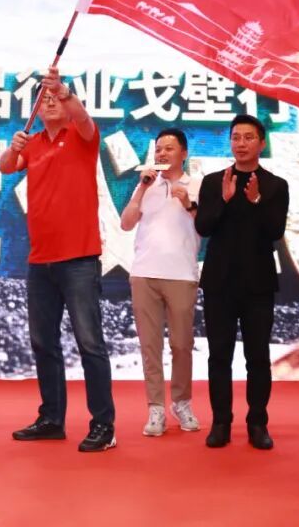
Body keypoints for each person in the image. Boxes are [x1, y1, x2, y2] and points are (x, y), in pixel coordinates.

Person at [0, 66, 117, 453]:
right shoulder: (32, 143)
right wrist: (14, 147)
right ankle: (52, 419)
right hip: (41, 260)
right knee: (43, 343)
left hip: (79, 258)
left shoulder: (81, 136)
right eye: (43, 99)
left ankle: (104, 425)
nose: (49, 103)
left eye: (55, 99)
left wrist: (63, 91)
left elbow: (84, 118)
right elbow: (6, 166)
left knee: (89, 343)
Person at [195, 114, 288, 450]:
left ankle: (257, 422)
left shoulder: (275, 185)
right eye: (236, 137)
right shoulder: (213, 182)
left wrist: (256, 201)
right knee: (219, 355)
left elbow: (275, 231)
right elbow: (203, 227)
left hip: (258, 283)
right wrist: (224, 199)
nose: (241, 143)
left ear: (262, 143)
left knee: (257, 357)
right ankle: (221, 422)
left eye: (249, 137)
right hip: (219, 283)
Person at [119, 128, 202, 437]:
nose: (162, 153)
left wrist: (189, 203)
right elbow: (126, 223)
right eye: (158, 149)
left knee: (181, 344)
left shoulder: (197, 185)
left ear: (184, 153)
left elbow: (207, 227)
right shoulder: (146, 185)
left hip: (181, 274)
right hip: (144, 273)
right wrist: (142, 189)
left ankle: (182, 402)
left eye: (169, 148)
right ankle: (155, 407)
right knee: (150, 346)